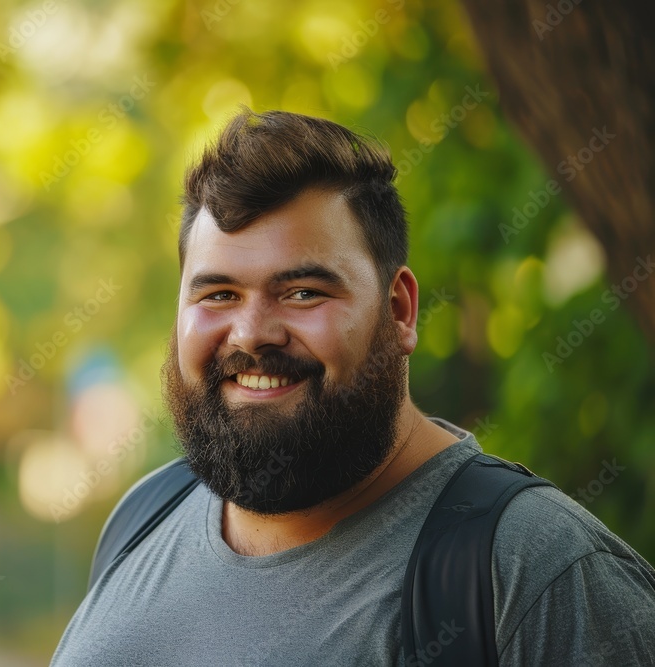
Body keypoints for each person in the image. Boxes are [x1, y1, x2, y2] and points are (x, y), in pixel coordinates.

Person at [50, 108, 655, 665]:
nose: (252, 335)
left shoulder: (530, 572)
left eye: (303, 293)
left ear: (398, 309)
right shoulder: (143, 517)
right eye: (218, 294)